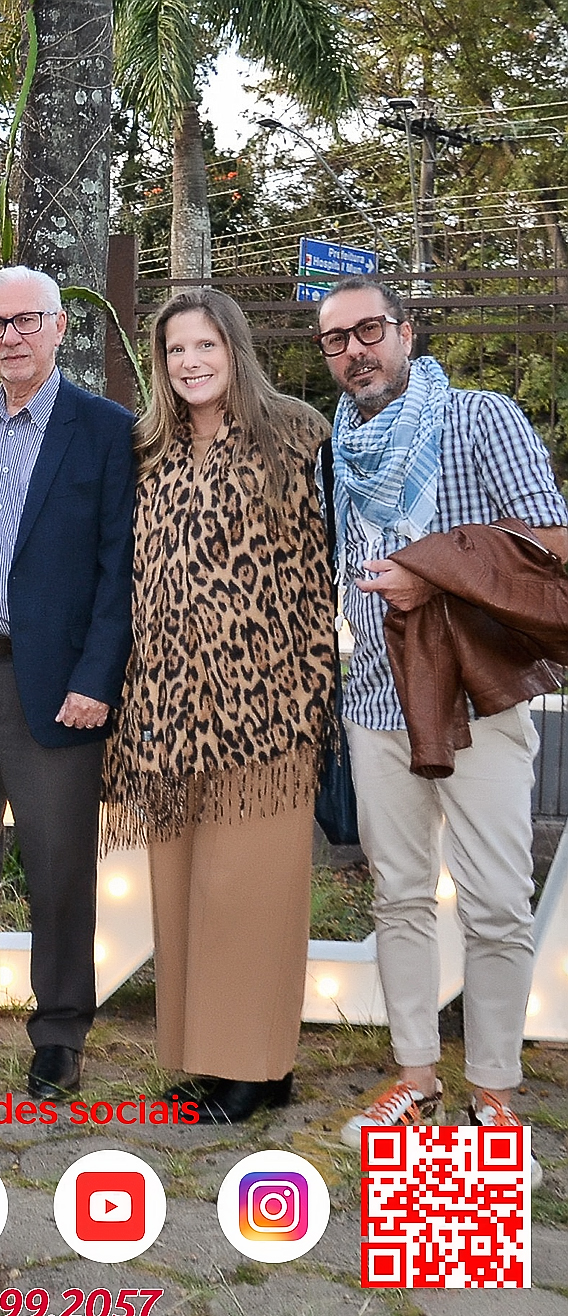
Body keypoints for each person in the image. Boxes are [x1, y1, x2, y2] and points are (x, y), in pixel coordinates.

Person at [316, 278, 568, 1140]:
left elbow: (551, 541)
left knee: (496, 901)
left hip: (473, 695)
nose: (356, 351)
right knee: (399, 896)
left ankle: (494, 1091)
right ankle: (415, 1078)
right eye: (337, 340)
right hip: (374, 697)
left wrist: (431, 568)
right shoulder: (340, 448)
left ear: (407, 331)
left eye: (370, 330)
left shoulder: (479, 418)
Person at [102, 289, 334, 1123]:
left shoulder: (296, 433)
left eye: (205, 345)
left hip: (266, 706)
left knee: (248, 890)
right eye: (175, 350)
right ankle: (206, 1059)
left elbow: (327, 560)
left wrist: (309, 685)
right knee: (182, 889)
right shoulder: (147, 449)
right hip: (166, 707)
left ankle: (255, 1065)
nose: (190, 362)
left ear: (235, 347)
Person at [0, 265, 135, 1102]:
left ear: (59, 327)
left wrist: (97, 677)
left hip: (56, 686)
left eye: (25, 320)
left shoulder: (106, 430)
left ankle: (60, 1032)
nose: (9, 336)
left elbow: (120, 569)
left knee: (57, 865)